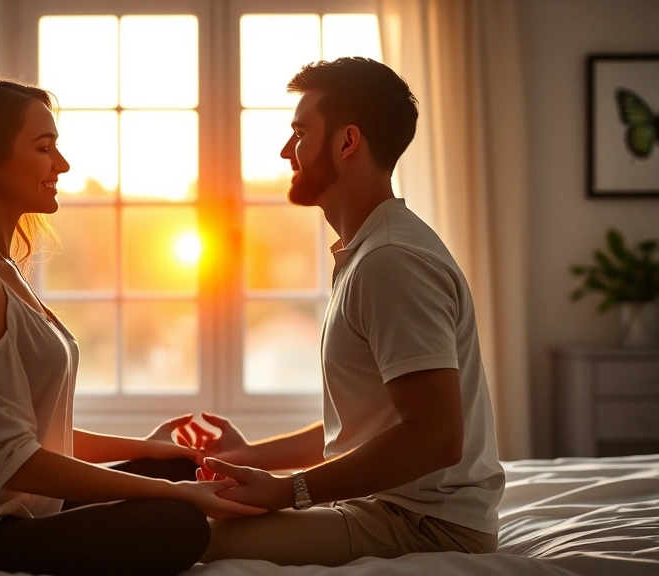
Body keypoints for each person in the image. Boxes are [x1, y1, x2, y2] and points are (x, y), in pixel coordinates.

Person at [0, 79, 264, 576]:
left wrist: (153, 449)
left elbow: (28, 433)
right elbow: (7, 456)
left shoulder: (2, 268)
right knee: (178, 523)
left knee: (180, 465)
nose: (63, 165)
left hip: (28, 506)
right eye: (44, 148)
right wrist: (172, 492)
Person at [185, 57, 506, 566]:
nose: (286, 151)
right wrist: (246, 460)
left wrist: (290, 491)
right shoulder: (369, 251)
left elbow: (435, 437)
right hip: (393, 509)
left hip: (423, 526)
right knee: (172, 511)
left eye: (299, 134)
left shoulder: (390, 262)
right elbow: (370, 430)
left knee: (174, 536)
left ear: (346, 141)